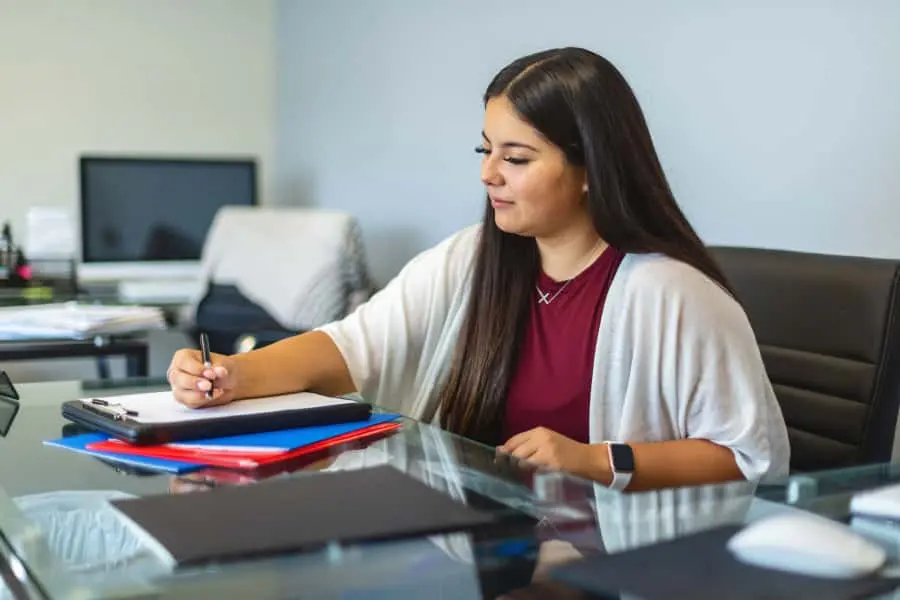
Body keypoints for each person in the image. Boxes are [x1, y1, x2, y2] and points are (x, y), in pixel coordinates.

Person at [168, 47, 790, 491]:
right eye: (485, 150)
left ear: (589, 170)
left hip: (610, 564)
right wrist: (230, 375)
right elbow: (352, 345)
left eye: (515, 157)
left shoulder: (672, 291)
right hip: (493, 544)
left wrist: (596, 459)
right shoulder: (476, 256)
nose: (488, 173)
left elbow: (749, 458)